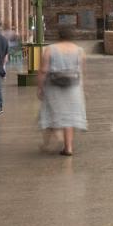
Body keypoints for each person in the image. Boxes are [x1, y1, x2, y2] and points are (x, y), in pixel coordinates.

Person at [37, 25, 87, 156]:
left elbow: (43, 70)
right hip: (73, 88)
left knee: (52, 112)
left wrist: (40, 87)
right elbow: (80, 71)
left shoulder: (50, 49)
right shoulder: (80, 50)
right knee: (69, 117)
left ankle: (53, 138)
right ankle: (68, 148)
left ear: (59, 35)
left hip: (53, 87)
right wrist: (81, 89)